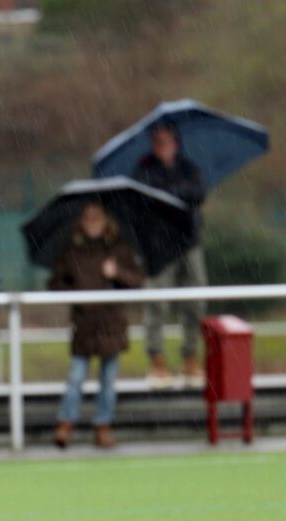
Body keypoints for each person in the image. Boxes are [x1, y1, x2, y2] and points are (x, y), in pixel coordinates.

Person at [50, 202, 144, 449]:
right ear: (81, 223)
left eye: (97, 219)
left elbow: (137, 281)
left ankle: (103, 427)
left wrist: (117, 274)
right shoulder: (72, 252)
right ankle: (66, 424)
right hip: (84, 325)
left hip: (111, 324)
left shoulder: (119, 250)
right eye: (88, 219)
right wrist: (77, 292)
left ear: (106, 223)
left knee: (108, 381)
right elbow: (55, 284)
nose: (92, 224)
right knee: (76, 378)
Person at [131, 120, 207, 389]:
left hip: (189, 242)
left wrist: (172, 195)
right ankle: (157, 359)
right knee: (156, 303)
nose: (162, 146)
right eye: (157, 141)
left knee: (195, 301)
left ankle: (190, 356)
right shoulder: (144, 170)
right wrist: (172, 198)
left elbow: (197, 193)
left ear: (175, 142)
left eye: (167, 140)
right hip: (158, 247)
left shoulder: (188, 168)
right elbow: (144, 202)